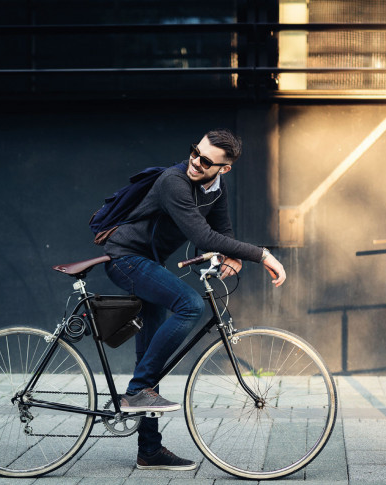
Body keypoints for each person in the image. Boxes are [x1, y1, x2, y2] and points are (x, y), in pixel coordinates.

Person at [103, 128, 286, 471]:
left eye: (206, 161)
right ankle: (137, 390)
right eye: (194, 153)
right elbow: (201, 235)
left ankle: (149, 451)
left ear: (224, 169)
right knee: (190, 305)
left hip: (148, 263)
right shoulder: (174, 182)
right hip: (125, 258)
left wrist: (231, 254)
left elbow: (221, 229)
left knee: (150, 357)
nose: (195, 163)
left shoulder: (216, 187)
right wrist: (260, 254)